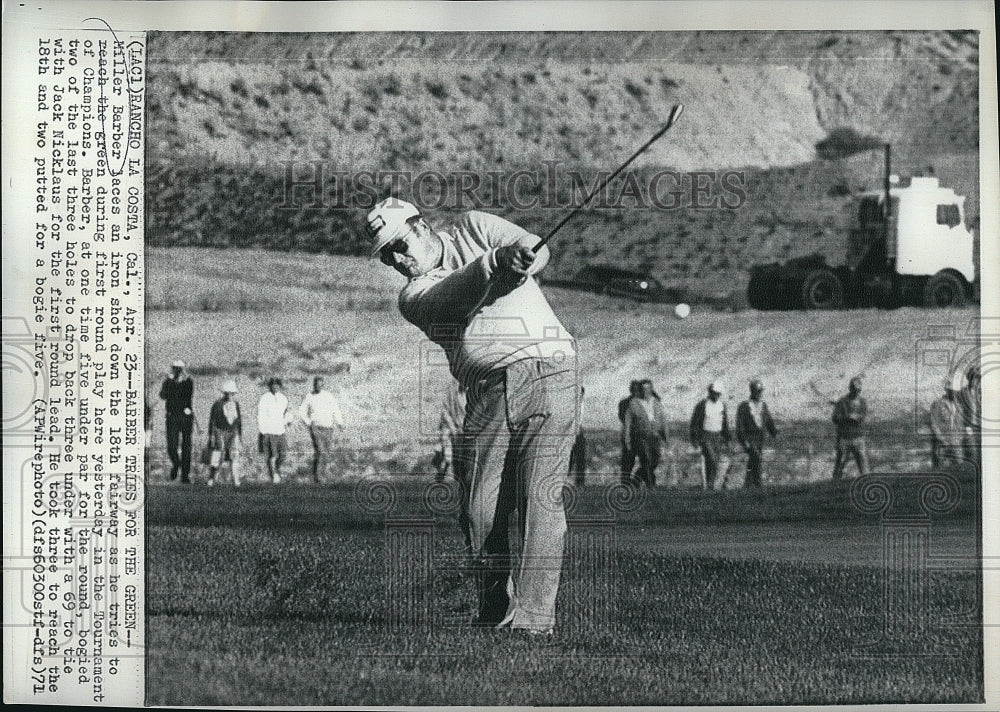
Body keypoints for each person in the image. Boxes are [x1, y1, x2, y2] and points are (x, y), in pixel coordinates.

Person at [367, 197, 578, 635]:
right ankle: (495, 606)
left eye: (400, 244)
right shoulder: (414, 296)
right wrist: (495, 264)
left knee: (540, 500)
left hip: (551, 369)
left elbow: (534, 247)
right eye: (387, 255)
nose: (397, 260)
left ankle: (535, 622)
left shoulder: (475, 225)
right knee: (480, 509)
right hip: (488, 392)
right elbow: (455, 298)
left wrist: (524, 258)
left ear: (422, 227)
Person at [299, 376, 345, 483]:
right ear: (314, 385)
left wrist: (339, 423)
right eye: (316, 384)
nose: (317, 386)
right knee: (320, 450)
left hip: (328, 427)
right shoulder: (309, 396)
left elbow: (335, 409)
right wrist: (309, 423)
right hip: (316, 428)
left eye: (320, 384)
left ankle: (322, 475)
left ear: (322, 385)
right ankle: (318, 477)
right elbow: (302, 411)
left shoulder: (328, 396)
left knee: (326, 452)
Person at [622, 379, 668, 486]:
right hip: (641, 436)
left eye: (648, 389)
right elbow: (627, 423)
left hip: (655, 436)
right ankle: (651, 484)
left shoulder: (656, 403)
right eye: (643, 389)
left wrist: (666, 436)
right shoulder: (633, 403)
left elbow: (663, 420)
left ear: (651, 389)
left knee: (655, 460)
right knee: (646, 459)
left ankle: (636, 480)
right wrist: (627, 438)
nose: (645, 391)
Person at [735, 379, 778, 488]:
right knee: (757, 458)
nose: (760, 394)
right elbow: (739, 426)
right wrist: (744, 441)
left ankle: (747, 485)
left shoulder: (763, 406)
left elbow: (768, 420)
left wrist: (774, 432)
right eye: (757, 391)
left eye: (761, 391)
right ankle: (759, 484)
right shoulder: (744, 406)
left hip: (760, 439)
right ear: (752, 392)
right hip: (749, 439)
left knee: (753, 460)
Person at [690, 381, 731, 490]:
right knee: (711, 459)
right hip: (706, 436)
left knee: (715, 461)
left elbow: (724, 422)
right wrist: (695, 439)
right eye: (714, 393)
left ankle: (710, 484)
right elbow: (695, 423)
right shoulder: (702, 405)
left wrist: (727, 438)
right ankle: (710, 484)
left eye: (718, 393)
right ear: (710, 392)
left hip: (717, 437)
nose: (716, 395)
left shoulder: (722, 405)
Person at [159, 359, 194, 483]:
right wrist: (169, 381)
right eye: (176, 368)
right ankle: (176, 464)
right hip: (172, 416)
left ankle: (185, 476)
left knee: (186, 447)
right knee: (172, 446)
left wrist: (175, 382)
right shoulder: (168, 382)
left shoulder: (188, 382)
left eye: (180, 369)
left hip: (185, 416)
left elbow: (187, 395)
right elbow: (162, 396)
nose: (178, 371)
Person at [207, 380, 244, 486]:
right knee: (217, 455)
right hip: (220, 432)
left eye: (231, 393)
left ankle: (236, 480)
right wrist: (211, 436)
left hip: (233, 432)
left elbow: (239, 420)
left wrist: (240, 435)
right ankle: (211, 478)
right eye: (227, 393)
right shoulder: (217, 404)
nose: (229, 395)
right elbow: (212, 421)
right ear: (224, 393)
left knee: (234, 456)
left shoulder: (236, 404)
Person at [832, 376, 868, 480]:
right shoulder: (842, 402)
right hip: (845, 438)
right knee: (840, 465)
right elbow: (834, 418)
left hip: (858, 438)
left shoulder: (863, 402)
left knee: (863, 465)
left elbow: (862, 416)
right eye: (854, 389)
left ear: (860, 389)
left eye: (858, 389)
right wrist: (847, 417)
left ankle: (866, 484)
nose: (856, 391)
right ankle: (834, 485)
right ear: (850, 388)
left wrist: (856, 418)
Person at [257, 377, 290, 484]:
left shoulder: (283, 398)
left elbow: (286, 413)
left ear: (280, 386)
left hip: (280, 430)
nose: (275, 387)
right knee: (273, 455)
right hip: (269, 431)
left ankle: (276, 470)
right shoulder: (265, 398)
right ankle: (274, 475)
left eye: (277, 385)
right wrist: (263, 430)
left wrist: (288, 420)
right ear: (270, 386)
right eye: (273, 385)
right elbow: (261, 415)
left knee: (283, 455)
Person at [435, 380, 467, 482]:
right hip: (456, 432)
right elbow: (445, 411)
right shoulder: (452, 391)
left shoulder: (476, 390)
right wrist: (452, 427)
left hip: (468, 433)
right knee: (457, 462)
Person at [958, 364, 982, 471]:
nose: (975, 380)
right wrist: (965, 426)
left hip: (980, 427)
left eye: (977, 378)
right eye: (973, 377)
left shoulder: (981, 393)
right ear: (969, 378)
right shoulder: (962, 393)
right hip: (968, 428)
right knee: (972, 453)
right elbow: (958, 411)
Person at [618, 381, 640, 484]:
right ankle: (626, 482)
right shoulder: (624, 403)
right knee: (628, 460)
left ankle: (631, 481)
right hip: (629, 435)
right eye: (634, 389)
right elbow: (622, 417)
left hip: (637, 435)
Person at [569, 386, 587, 486]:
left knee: (580, 458)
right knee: (571, 457)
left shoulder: (581, 403)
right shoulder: (573, 404)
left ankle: (580, 482)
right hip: (572, 432)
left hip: (578, 431)